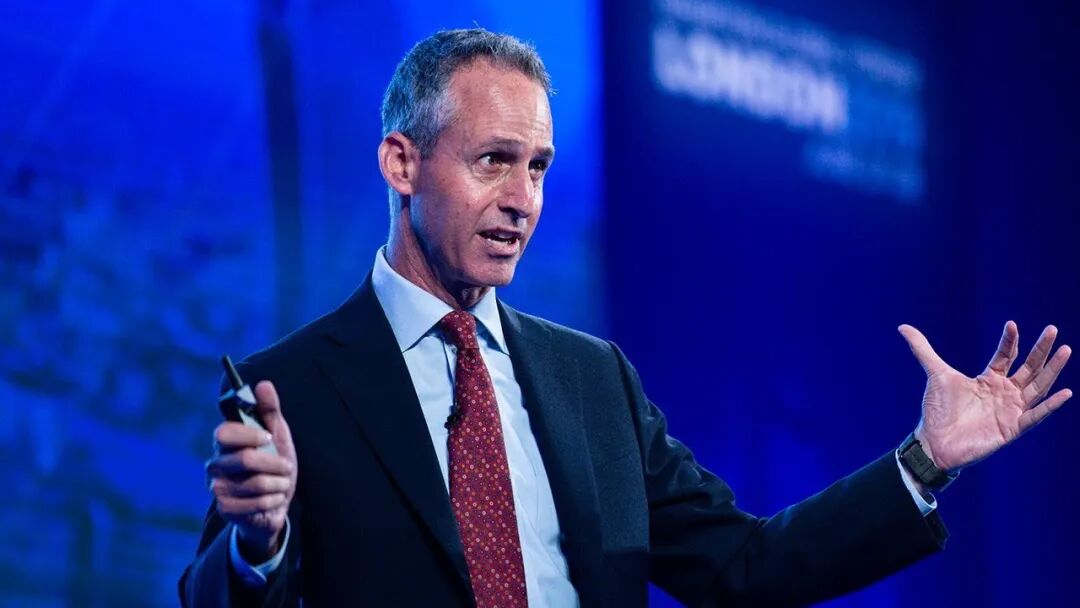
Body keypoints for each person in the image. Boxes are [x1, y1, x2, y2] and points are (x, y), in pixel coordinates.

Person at [179, 29, 1073, 607]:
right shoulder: (293, 387)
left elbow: (744, 568)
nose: (523, 199)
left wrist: (924, 461)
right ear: (401, 164)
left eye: (538, 167)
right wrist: (263, 542)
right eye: (493, 161)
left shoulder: (592, 379)